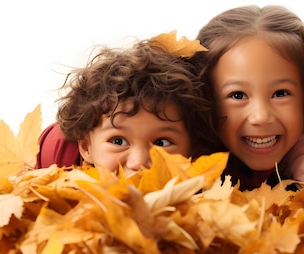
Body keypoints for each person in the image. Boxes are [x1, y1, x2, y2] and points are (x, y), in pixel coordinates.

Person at [192, 5, 304, 196]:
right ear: (207, 96)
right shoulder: (187, 135)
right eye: (238, 95)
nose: (261, 117)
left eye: (280, 94)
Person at [36, 33, 214, 175]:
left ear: (193, 153)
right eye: (118, 141)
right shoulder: (55, 156)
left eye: (161, 143)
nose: (139, 163)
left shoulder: (216, 197)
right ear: (86, 147)